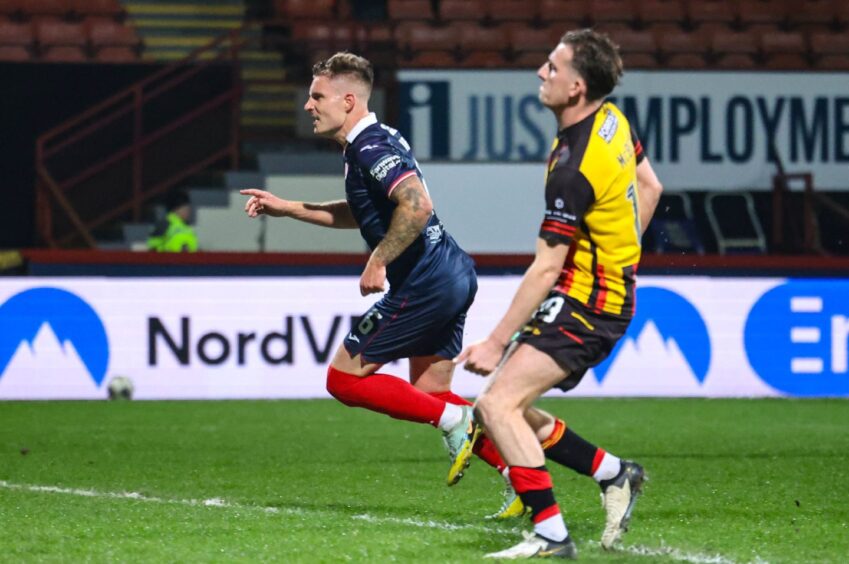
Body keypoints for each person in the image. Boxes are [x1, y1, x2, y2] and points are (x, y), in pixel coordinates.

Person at [240, 52, 520, 518]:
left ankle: (460, 420)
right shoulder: (369, 143)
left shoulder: (370, 148)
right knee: (431, 396)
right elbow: (365, 211)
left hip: (425, 279)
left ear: (348, 100)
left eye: (317, 96)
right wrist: (289, 208)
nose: (308, 105)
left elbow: (417, 205)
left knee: (343, 379)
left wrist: (378, 259)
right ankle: (525, 479)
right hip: (449, 271)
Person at [452, 30, 663, 559]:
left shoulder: (572, 168)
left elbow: (546, 267)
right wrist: (621, 258)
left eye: (551, 67)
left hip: (588, 304)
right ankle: (616, 475)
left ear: (576, 86)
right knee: (506, 409)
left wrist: (495, 342)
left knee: (496, 405)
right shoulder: (612, 120)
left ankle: (552, 536)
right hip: (595, 294)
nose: (540, 73)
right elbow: (652, 187)